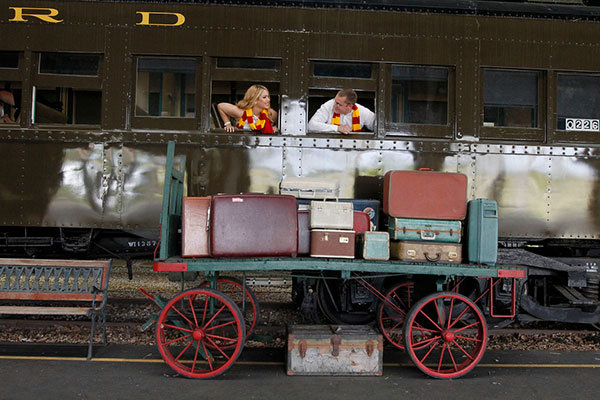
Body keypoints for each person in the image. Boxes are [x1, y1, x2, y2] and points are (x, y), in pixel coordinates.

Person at [308, 88, 375, 134]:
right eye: (335, 101)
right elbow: (311, 125)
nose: (334, 105)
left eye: (338, 104)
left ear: (350, 106)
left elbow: (379, 128)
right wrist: (337, 128)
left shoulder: (363, 112)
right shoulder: (328, 106)